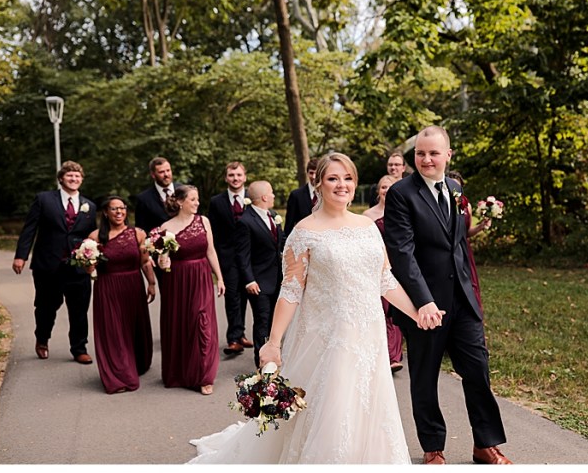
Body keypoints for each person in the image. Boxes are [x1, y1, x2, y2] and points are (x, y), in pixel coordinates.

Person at [188, 153, 443, 464]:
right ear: (318, 183)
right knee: (334, 409)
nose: (342, 185)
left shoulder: (368, 227)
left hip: (369, 337)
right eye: (333, 178)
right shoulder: (304, 232)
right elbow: (291, 291)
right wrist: (273, 343)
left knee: (368, 405)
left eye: (348, 178)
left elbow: (384, 280)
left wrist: (417, 312)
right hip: (331, 339)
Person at [384, 126, 512, 465]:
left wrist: (471, 291)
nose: (426, 159)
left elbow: (455, 242)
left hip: (462, 300)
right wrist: (423, 301)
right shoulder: (401, 194)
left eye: (433, 153)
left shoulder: (455, 189)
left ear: (448, 155)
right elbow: (402, 251)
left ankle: (485, 444)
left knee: (478, 370)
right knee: (424, 378)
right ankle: (433, 448)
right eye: (420, 153)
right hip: (423, 305)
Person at [12, 160, 98, 364]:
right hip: (48, 265)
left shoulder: (90, 206)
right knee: (46, 307)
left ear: (82, 180)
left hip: (77, 266)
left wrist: (93, 259)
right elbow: (29, 229)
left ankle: (79, 348)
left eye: (77, 176)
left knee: (79, 309)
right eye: (69, 175)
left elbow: (92, 236)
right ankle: (42, 339)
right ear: (61, 178)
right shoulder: (44, 199)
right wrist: (21, 255)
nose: (74, 178)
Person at [156, 185, 225, 395]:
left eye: (197, 199)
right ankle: (181, 372)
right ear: (179, 202)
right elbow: (162, 261)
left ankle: (204, 376)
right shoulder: (165, 228)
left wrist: (219, 278)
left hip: (201, 276)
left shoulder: (203, 221)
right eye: (192, 199)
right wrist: (162, 261)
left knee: (201, 322)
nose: (197, 203)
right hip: (176, 280)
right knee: (181, 324)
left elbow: (211, 251)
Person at [85, 196, 155, 394]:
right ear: (105, 213)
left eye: (122, 208)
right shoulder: (95, 237)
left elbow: (144, 261)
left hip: (133, 285)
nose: (119, 212)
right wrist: (89, 263)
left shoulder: (138, 234)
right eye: (114, 209)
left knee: (134, 327)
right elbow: (89, 270)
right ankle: (118, 375)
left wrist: (151, 283)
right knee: (113, 331)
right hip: (107, 288)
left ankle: (136, 362)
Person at [234, 180, 284, 368]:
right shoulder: (245, 222)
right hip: (259, 282)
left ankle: (275, 356)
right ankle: (262, 362)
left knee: (275, 322)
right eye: (271, 193)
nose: (273, 196)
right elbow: (242, 255)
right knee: (262, 322)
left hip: (277, 279)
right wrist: (249, 280)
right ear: (264, 197)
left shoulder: (273, 215)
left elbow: (280, 242)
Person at [208, 161, 254, 355]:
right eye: (231, 175)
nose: (235, 179)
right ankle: (234, 338)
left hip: (251, 256)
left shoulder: (253, 197)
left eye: (238, 175)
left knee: (248, 296)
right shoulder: (216, 202)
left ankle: (245, 334)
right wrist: (216, 261)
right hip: (228, 258)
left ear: (244, 177)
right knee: (232, 296)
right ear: (226, 178)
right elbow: (214, 233)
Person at [363, 174, 404, 373]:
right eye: (383, 187)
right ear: (378, 190)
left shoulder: (403, 212)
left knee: (395, 310)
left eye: (390, 187)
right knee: (382, 310)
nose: (386, 191)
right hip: (376, 268)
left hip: (399, 267)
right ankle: (384, 354)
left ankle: (394, 356)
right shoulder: (368, 216)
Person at [447, 170, 491, 312]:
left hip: (464, 250)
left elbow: (467, 232)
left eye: (457, 186)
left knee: (468, 283)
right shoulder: (441, 206)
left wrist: (481, 226)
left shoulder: (467, 206)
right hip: (447, 250)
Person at [134, 156, 180, 234]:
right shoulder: (143, 199)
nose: (166, 174)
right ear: (153, 175)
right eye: (161, 172)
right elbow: (141, 230)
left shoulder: (184, 191)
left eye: (168, 170)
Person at [283, 158, 318, 240]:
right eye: (311, 173)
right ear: (307, 173)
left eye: (316, 173)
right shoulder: (296, 195)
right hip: (302, 241)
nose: (313, 177)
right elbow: (289, 224)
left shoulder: (328, 194)